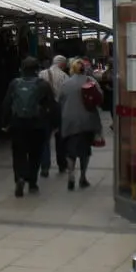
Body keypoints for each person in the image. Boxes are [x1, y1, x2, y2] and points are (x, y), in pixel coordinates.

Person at [2, 56, 55, 197]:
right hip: (37, 125)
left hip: (18, 124)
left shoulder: (15, 83)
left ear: (22, 69)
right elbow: (52, 105)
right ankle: (32, 182)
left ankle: (19, 178)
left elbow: (7, 104)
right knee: (35, 154)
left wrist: (5, 123)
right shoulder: (43, 84)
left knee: (18, 153)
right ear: (37, 69)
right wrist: (53, 124)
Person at [58, 59, 103, 191]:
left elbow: (60, 100)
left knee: (70, 150)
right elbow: (100, 98)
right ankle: (82, 177)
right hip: (87, 120)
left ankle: (71, 174)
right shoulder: (91, 82)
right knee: (85, 150)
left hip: (69, 120)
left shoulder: (66, 83)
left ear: (72, 69)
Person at [38, 54, 69, 177]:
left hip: (44, 110)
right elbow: (66, 95)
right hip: (59, 109)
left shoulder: (42, 74)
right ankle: (62, 165)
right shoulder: (64, 76)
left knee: (44, 139)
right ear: (61, 64)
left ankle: (45, 167)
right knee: (60, 138)